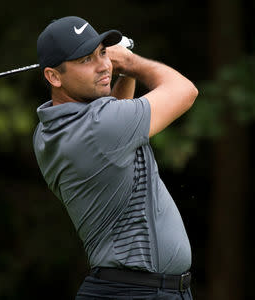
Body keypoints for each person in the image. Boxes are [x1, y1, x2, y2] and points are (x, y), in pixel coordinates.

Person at [33, 16, 198, 299]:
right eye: (86, 60)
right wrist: (129, 63)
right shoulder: (99, 127)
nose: (103, 65)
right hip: (137, 292)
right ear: (53, 76)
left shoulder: (48, 131)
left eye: (102, 53)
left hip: (128, 289)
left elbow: (117, 127)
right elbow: (186, 91)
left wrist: (121, 73)